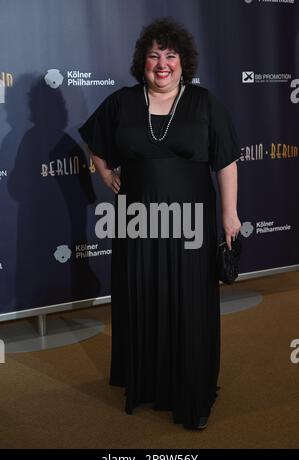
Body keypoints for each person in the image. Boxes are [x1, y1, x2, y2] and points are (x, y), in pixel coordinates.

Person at [78, 17, 241, 430]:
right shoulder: (122, 103)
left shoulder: (204, 103)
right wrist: (106, 175)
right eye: (154, 56)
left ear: (184, 61)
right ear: (142, 62)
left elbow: (225, 161)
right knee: (143, 301)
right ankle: (147, 383)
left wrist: (229, 214)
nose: (162, 64)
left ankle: (190, 392)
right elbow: (95, 142)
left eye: (170, 56)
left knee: (189, 305)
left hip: (191, 226)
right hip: (138, 225)